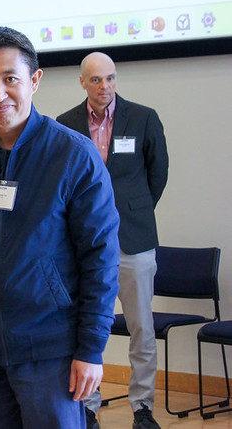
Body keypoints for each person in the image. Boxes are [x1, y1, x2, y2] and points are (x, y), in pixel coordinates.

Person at [0, 27, 120, 428]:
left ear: (34, 80)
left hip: (50, 351)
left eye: (10, 78)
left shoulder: (74, 156)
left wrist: (91, 348)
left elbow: (100, 260)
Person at [57, 51, 168, 429]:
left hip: (134, 238)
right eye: (96, 79)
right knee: (86, 326)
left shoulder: (144, 118)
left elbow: (157, 174)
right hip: (84, 242)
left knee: (142, 327)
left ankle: (142, 407)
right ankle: (87, 405)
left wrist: (132, 210)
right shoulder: (66, 124)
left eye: (110, 78)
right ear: (83, 82)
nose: (105, 86)